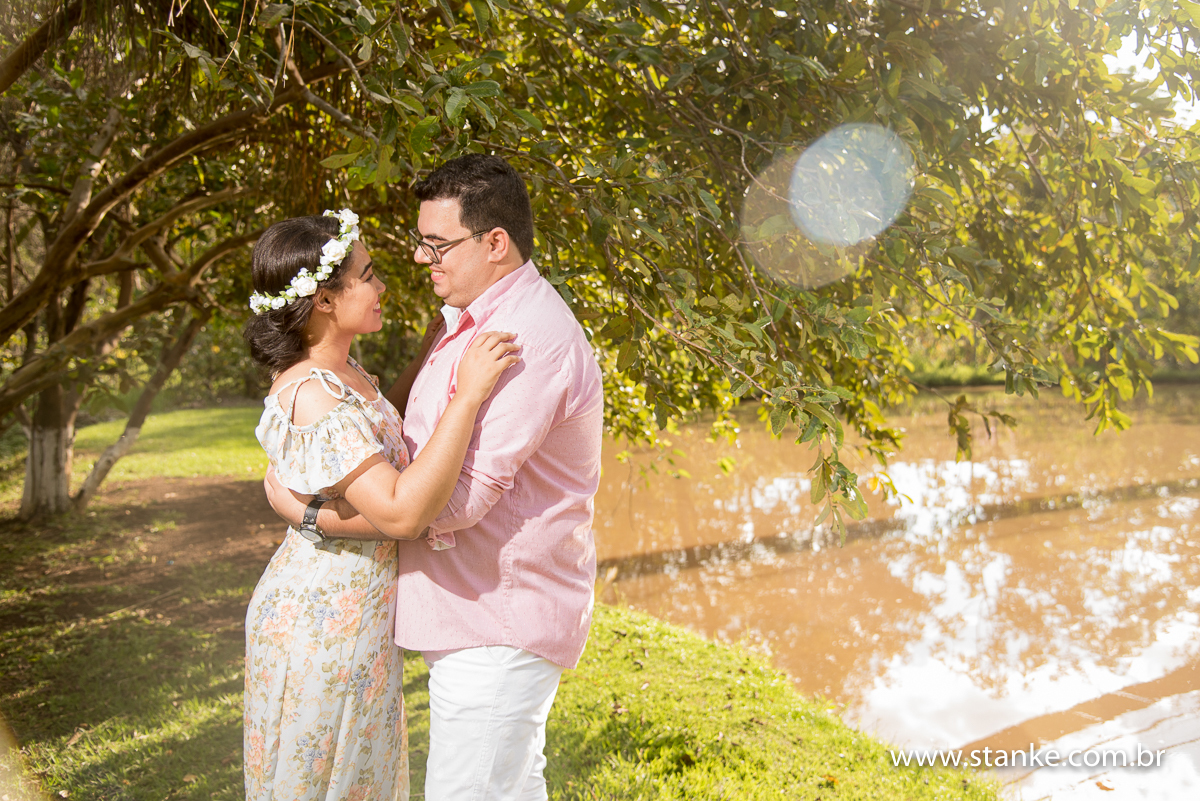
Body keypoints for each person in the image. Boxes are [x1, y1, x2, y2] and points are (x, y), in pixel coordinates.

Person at [266, 154, 605, 800]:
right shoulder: (470, 320)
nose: (422, 259)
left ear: (495, 243)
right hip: (473, 613)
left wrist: (313, 514)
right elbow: (403, 431)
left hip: (497, 622)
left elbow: (448, 503)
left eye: (437, 244)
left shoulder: (526, 339)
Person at [242, 209, 519, 801]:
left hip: (355, 616)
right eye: (367, 274)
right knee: (327, 783)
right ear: (322, 299)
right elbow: (399, 514)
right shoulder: (313, 392)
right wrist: (467, 393)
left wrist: (425, 360)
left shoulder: (340, 371)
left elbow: (368, 432)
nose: (383, 284)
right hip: (322, 623)